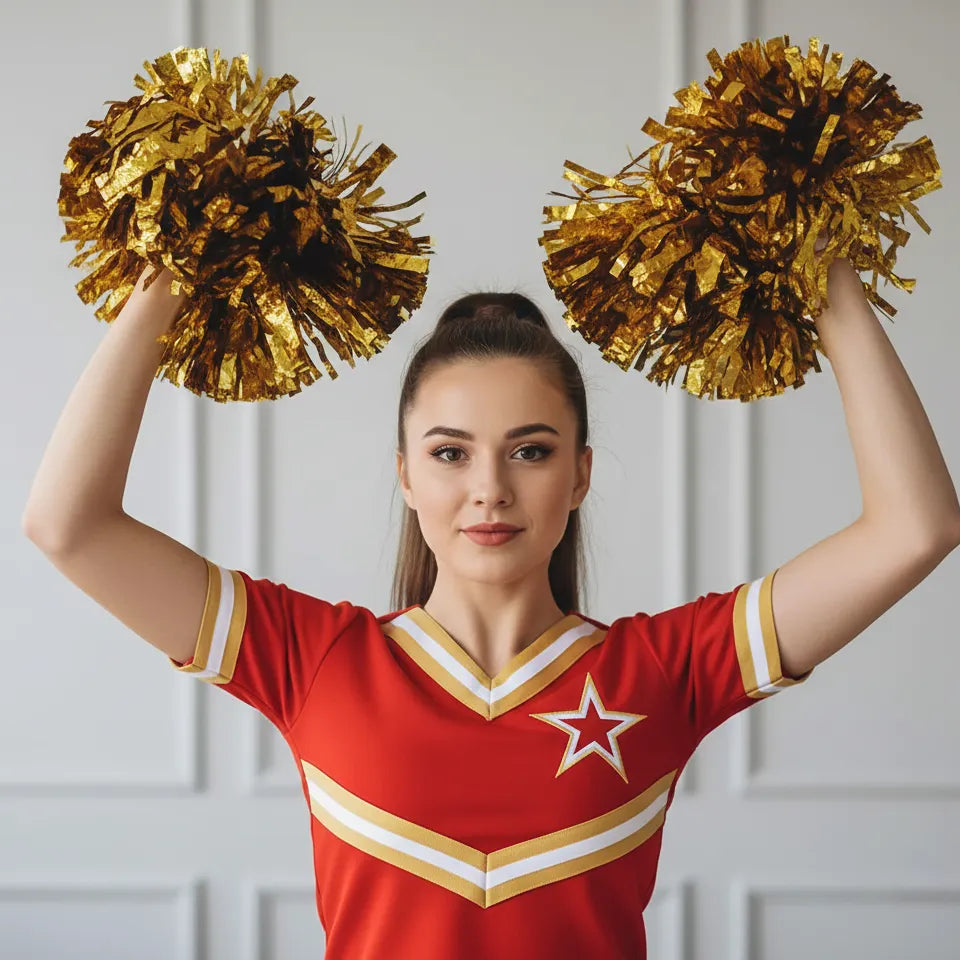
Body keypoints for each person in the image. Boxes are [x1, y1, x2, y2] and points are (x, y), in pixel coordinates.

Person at [22, 258, 960, 959]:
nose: (489, 490)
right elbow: (69, 525)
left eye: (530, 450)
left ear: (580, 475)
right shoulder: (310, 656)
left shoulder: (668, 669)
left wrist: (826, 274)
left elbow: (915, 528)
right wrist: (172, 272)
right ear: (404, 475)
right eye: (449, 452)